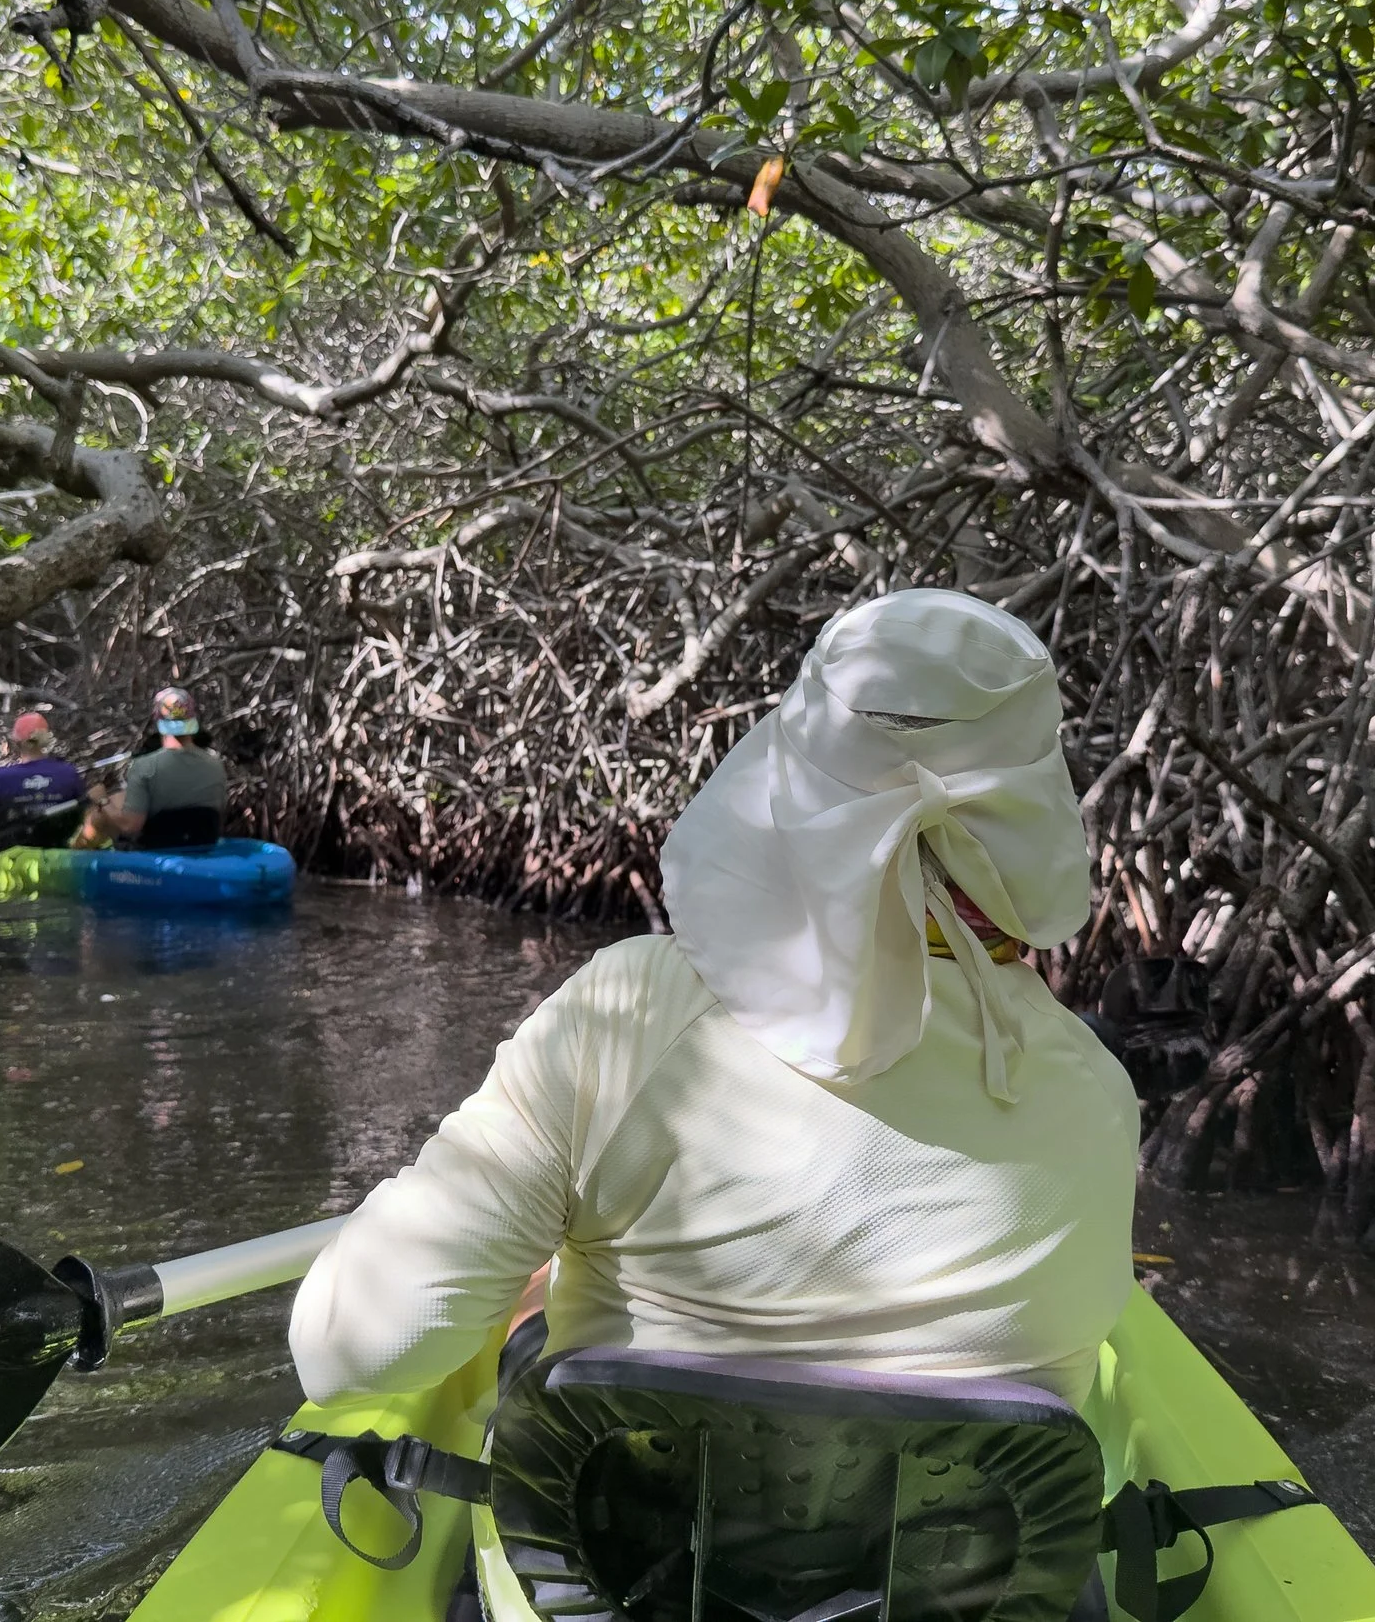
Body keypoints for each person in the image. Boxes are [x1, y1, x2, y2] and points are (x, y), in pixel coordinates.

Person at [289, 589, 1138, 1415]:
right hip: (956, 1557)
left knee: (525, 1321)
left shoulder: (629, 1011)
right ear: (1035, 809)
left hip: (623, 1549)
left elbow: (349, 1353)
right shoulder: (1099, 1093)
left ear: (793, 771)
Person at [87, 687, 227, 849]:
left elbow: (130, 827)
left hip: (159, 848)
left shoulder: (144, 766)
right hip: (203, 844)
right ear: (192, 719)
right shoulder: (216, 765)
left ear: (158, 721)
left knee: (101, 811)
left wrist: (102, 800)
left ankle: (77, 853)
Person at [0, 711, 85, 848]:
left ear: (16, 741)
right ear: (45, 738)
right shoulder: (68, 772)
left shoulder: (2, 777)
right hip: (60, 846)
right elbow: (82, 814)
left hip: (16, 851)